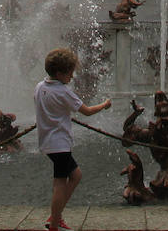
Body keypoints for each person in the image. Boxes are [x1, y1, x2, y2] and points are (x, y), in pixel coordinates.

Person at [33, 47, 112, 231]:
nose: (72, 76)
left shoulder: (40, 87)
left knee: (75, 176)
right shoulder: (63, 91)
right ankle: (53, 224)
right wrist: (104, 105)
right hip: (59, 144)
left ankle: (56, 216)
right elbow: (87, 111)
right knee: (60, 183)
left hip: (47, 142)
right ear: (60, 73)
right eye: (70, 73)